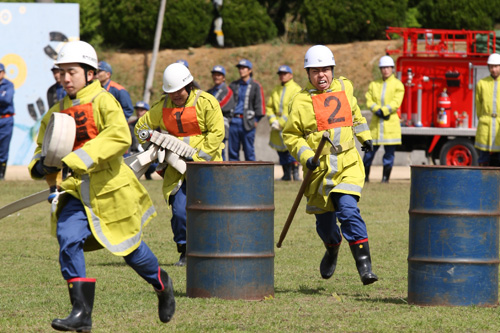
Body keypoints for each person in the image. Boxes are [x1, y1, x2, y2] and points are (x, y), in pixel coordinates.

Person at [28, 41, 175, 331]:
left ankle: (162, 284)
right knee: (67, 238)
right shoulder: (56, 111)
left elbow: (120, 136)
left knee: (129, 251)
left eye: (72, 71)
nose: (65, 78)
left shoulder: (104, 101)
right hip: (74, 192)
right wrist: (41, 166)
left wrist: (76, 159)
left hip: (111, 189)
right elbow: (40, 148)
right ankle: (81, 314)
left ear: (90, 73)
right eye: (61, 72)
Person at [282, 45, 378, 286]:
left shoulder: (345, 87)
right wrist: (307, 157)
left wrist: (365, 137)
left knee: (347, 209)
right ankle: (332, 247)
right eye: (315, 71)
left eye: (325, 70)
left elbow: (356, 116)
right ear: (307, 74)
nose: (321, 75)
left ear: (333, 70)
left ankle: (364, 266)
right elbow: (292, 136)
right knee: (325, 226)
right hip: (319, 172)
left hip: (348, 164)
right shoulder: (300, 101)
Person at [135, 62, 224, 267]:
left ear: (189, 85)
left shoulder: (206, 102)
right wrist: (154, 146)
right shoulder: (162, 106)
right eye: (170, 91)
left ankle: (213, 250)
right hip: (176, 170)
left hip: (206, 169)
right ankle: (184, 251)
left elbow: (217, 133)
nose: (175, 95)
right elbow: (141, 127)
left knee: (210, 211)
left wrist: (199, 159)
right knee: (180, 212)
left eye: (178, 90)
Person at [362, 55, 405, 182]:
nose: (385, 70)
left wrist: (385, 110)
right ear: (380, 69)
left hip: (390, 126)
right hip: (376, 126)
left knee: (389, 155)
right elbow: (369, 100)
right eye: (383, 67)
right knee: (368, 153)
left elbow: (396, 101)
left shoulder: (398, 85)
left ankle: (385, 179)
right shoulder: (374, 85)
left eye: (388, 67)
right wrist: (377, 110)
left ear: (392, 68)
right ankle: (365, 178)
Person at [266, 65, 302, 181]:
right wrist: (273, 120)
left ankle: (295, 174)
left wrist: (281, 122)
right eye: (280, 74)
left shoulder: (296, 89)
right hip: (276, 127)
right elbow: (269, 107)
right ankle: (286, 174)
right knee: (281, 152)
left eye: (284, 73)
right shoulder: (276, 89)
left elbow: (294, 109)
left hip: (290, 125)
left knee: (292, 151)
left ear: (291, 75)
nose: (282, 76)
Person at [228, 59, 265, 161]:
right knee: (232, 152)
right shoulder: (233, 85)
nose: (241, 70)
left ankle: (251, 176)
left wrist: (256, 121)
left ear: (249, 70)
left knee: (249, 151)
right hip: (233, 122)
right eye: (240, 68)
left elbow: (260, 105)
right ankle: (233, 175)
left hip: (248, 123)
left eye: (243, 68)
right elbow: (227, 102)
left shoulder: (256, 86)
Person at [475, 53, 500, 166]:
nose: (493, 69)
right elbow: (478, 105)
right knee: (483, 159)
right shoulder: (482, 83)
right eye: (491, 66)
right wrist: (482, 118)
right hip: (485, 124)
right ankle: (483, 181)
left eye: (496, 66)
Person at [207, 65, 235, 161]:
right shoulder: (209, 91)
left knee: (220, 149)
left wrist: (207, 110)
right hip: (209, 125)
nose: (216, 77)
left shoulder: (228, 91)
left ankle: (222, 172)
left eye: (219, 75)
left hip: (222, 124)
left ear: (224, 78)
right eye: (214, 75)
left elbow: (219, 106)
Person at [128, 101, 156, 180]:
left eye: (142, 110)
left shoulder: (155, 125)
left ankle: (148, 174)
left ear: (147, 111)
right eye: (137, 110)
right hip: (133, 154)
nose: (139, 112)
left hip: (149, 154)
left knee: (156, 163)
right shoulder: (130, 125)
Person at [0, 62, 15, 180]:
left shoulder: (8, 85)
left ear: (4, 73)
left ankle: (1, 175)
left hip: (6, 119)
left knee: (4, 149)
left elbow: (7, 99)